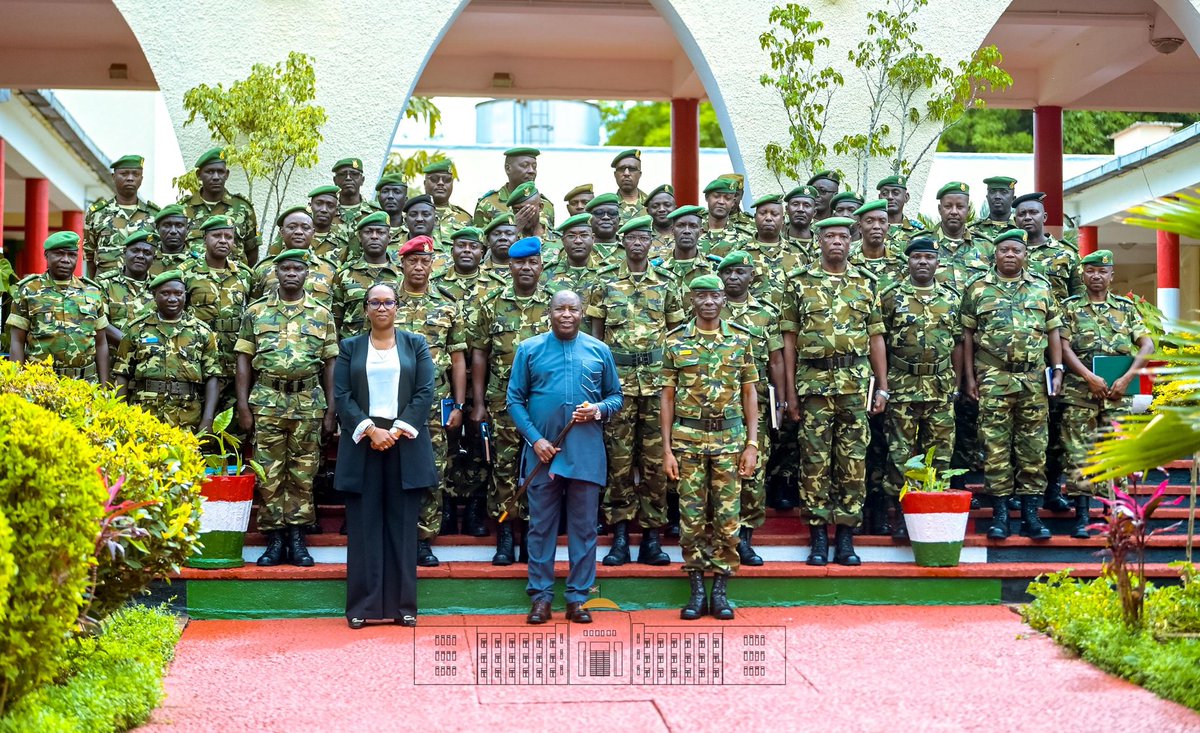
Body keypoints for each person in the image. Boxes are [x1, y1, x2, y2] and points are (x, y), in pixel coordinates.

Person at [508, 290, 624, 625]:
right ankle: (541, 597)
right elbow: (514, 400)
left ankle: (577, 598)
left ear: (583, 312)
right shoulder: (529, 349)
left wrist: (599, 409)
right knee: (541, 527)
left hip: (585, 453)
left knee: (584, 528)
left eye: (573, 308)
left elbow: (616, 396)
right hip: (542, 453)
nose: (567, 314)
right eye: (560, 308)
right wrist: (536, 440)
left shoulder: (599, 350)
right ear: (549, 312)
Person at [782, 216, 889, 567]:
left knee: (853, 463)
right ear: (819, 241)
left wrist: (883, 386)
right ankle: (817, 538)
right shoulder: (798, 283)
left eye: (843, 236)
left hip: (854, 385)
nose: (837, 243)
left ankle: (844, 538)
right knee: (814, 461)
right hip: (813, 385)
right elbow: (789, 341)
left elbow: (876, 338)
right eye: (829, 236)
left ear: (852, 239)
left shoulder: (866, 282)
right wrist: (790, 395)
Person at [334, 282, 438, 628]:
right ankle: (361, 608)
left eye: (387, 302)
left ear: (397, 307)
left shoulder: (416, 344)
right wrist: (369, 429)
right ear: (365, 308)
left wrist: (395, 429)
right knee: (364, 526)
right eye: (374, 302)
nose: (381, 308)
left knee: (403, 527)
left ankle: (403, 606)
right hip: (363, 442)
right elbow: (342, 394)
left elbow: (425, 391)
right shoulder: (349, 348)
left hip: (404, 443)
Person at [662, 274, 758, 621]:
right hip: (687, 441)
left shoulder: (740, 341)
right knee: (690, 518)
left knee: (728, 518)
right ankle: (697, 587)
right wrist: (667, 449)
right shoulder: (675, 343)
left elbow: (750, 394)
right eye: (701, 296)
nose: (708, 302)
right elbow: (667, 397)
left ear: (723, 300)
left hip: (729, 442)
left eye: (714, 296)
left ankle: (721, 587)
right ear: (692, 300)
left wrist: (752, 443)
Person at [589, 216, 685, 567]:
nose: (638, 244)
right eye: (631, 238)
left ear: (651, 243)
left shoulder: (667, 284)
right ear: (623, 242)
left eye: (644, 238)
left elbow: (676, 335)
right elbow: (597, 340)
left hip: (658, 383)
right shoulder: (606, 284)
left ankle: (653, 538)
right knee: (618, 461)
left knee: (656, 462)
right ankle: (618, 538)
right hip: (618, 386)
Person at [235, 249, 338, 567]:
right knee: (269, 474)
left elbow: (331, 363)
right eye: (286, 268)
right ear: (276, 273)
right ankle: (275, 539)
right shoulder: (256, 312)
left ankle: (297, 537)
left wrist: (332, 410)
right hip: (267, 401)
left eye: (298, 268)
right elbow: (243, 360)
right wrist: (243, 405)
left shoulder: (322, 313)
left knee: (304, 474)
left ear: (307, 273)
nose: (291, 273)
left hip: (308, 403)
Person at [961, 229, 1062, 541]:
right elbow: (966, 337)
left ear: (1024, 255)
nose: (1009, 255)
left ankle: (1030, 516)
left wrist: (1057, 370)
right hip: (994, 377)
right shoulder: (978, 288)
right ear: (995, 253)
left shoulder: (1041, 289)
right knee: (995, 447)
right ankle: (1000, 515)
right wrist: (968, 377)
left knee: (1034, 448)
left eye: (1015, 251)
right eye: (1003, 250)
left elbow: (1053, 332)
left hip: (1033, 379)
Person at [470, 236, 553, 564]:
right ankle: (505, 534)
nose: (526, 268)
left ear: (541, 265)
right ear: (510, 265)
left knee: (539, 467)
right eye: (520, 262)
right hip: (503, 402)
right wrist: (477, 403)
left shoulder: (553, 304)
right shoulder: (493, 304)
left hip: (543, 405)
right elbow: (479, 354)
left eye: (533, 262)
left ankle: (533, 535)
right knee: (503, 467)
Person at [1059, 250, 1154, 538]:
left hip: (1117, 393)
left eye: (1102, 271)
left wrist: (1127, 378)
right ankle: (1082, 516)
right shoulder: (1070, 308)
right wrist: (1088, 377)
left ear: (1111, 275)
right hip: (1079, 391)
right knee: (1079, 453)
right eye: (1090, 271)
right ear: (1083, 275)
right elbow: (1063, 347)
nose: (1096, 276)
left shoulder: (1125, 308)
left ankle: (1116, 513)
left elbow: (1147, 345)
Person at [878, 236, 962, 540]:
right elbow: (880, 343)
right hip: (902, 384)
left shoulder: (951, 298)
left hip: (940, 386)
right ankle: (900, 516)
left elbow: (958, 344)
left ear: (937, 262)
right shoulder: (891, 297)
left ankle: (933, 517)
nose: (923, 262)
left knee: (939, 454)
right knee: (900, 454)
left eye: (928, 257)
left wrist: (959, 382)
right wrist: (883, 385)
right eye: (917, 257)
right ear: (908, 262)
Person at [390, 235, 467, 566]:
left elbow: (459, 358)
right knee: (390, 470)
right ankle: (394, 536)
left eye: (425, 261)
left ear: (433, 264)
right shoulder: (386, 303)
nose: (419, 266)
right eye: (412, 261)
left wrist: (459, 405)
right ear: (402, 264)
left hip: (435, 402)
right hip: (391, 402)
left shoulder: (447, 305)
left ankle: (423, 538)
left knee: (431, 470)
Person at [718, 250, 784, 565]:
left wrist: (782, 400)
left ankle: (745, 539)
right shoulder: (711, 312)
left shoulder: (766, 314)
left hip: (756, 403)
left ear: (751, 276)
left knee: (753, 473)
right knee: (720, 472)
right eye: (728, 272)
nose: (734, 277)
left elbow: (775, 360)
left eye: (740, 272)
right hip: (718, 404)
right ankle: (722, 537)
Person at [113, 270, 220, 433]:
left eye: (178, 293)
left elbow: (212, 377)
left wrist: (208, 419)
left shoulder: (202, 332)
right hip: (144, 415)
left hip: (186, 416)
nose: (172, 299)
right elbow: (122, 373)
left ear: (185, 295)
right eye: (165, 293)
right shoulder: (136, 329)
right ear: (154, 295)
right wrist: (120, 413)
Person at [6, 231, 109, 383]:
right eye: (59, 254)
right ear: (46, 255)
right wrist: (16, 383)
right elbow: (17, 341)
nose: (66, 260)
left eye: (72, 255)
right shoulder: (28, 291)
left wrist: (105, 386)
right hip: (41, 383)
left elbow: (101, 343)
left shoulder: (93, 292)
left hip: (85, 383)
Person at [180, 147, 258, 265]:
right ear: (199, 175)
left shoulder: (243, 207)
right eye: (210, 172)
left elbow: (252, 250)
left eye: (220, 172)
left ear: (226, 175)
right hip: (194, 278)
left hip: (234, 279)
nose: (216, 177)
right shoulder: (183, 209)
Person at [84, 154, 159, 278]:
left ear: (141, 178)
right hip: (106, 290)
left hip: (142, 291)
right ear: (113, 177)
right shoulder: (97, 214)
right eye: (124, 174)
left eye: (135, 174)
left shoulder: (155, 215)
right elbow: (89, 257)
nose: (130, 178)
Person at [473, 147, 555, 233]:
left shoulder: (546, 205)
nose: (532, 171)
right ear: (508, 169)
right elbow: (479, 241)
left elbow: (551, 240)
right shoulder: (487, 203)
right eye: (525, 166)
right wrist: (512, 226)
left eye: (534, 167)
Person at [98, 230, 156, 349]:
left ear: (154, 259)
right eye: (135, 251)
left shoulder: (159, 287)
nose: (140, 256)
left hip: (150, 359)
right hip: (115, 357)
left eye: (147, 253)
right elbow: (100, 322)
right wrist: (132, 344)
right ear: (124, 253)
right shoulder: (104, 284)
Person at [423, 159, 472, 245]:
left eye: (447, 180)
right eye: (434, 179)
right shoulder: (412, 216)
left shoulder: (465, 218)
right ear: (425, 183)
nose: (441, 183)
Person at [698, 178, 751, 257]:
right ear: (707, 197)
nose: (721, 202)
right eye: (716, 196)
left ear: (733, 202)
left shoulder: (745, 237)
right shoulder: (692, 230)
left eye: (727, 198)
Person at [149, 204, 197, 277]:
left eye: (179, 225)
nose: (173, 231)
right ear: (158, 228)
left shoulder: (197, 262)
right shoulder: (147, 259)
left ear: (187, 229)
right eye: (167, 225)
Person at [968, 176, 1017, 241]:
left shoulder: (1021, 228)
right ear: (987, 197)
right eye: (992, 191)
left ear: (1013, 199)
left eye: (1004, 192)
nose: (997, 196)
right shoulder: (971, 229)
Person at [611, 148, 647, 224]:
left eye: (632, 169)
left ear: (640, 174)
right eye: (621, 169)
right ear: (615, 175)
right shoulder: (608, 206)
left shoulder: (652, 205)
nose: (626, 173)